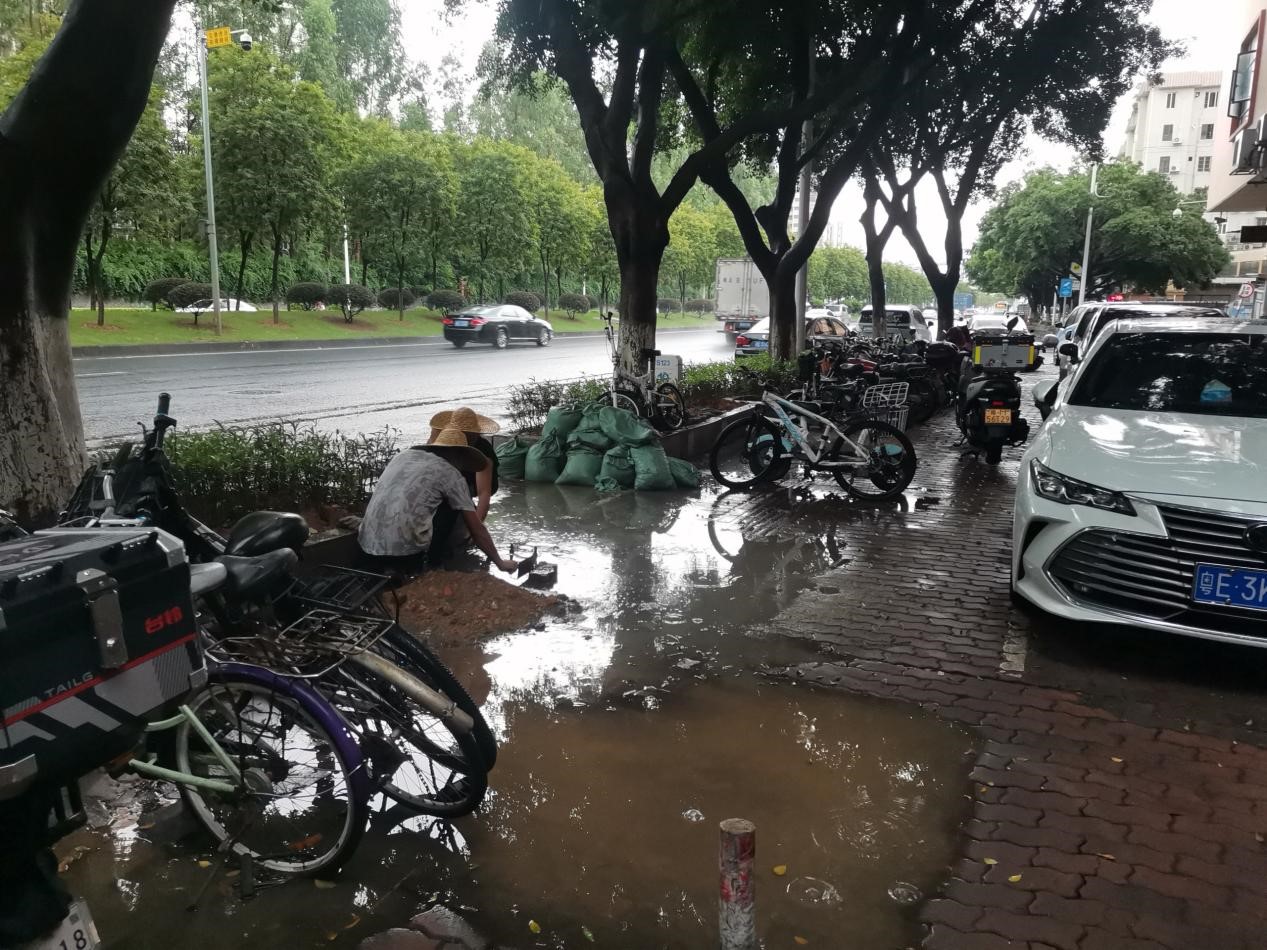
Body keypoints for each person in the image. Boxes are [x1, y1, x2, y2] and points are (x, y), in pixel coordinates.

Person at [358, 426, 516, 573]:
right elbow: (476, 529)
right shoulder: (451, 474)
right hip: (406, 555)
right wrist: (500, 563)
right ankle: (433, 562)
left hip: (366, 547)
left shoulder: (402, 456)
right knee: (453, 506)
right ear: (458, 455)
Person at [429, 407, 500, 521]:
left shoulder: (483, 450)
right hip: (458, 477)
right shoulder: (446, 441)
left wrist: (477, 526)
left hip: (475, 481)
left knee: (459, 505)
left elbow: (484, 493)